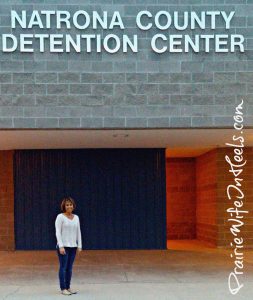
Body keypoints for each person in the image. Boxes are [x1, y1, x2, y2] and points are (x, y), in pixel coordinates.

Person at [55, 197, 82, 296]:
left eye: (70, 204)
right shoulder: (60, 217)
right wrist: (61, 246)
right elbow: (58, 232)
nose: (69, 206)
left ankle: (68, 287)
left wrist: (79, 245)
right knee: (63, 267)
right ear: (64, 206)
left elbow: (78, 231)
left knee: (69, 268)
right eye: (67, 205)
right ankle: (63, 288)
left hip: (73, 246)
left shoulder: (76, 217)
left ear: (73, 206)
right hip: (63, 247)